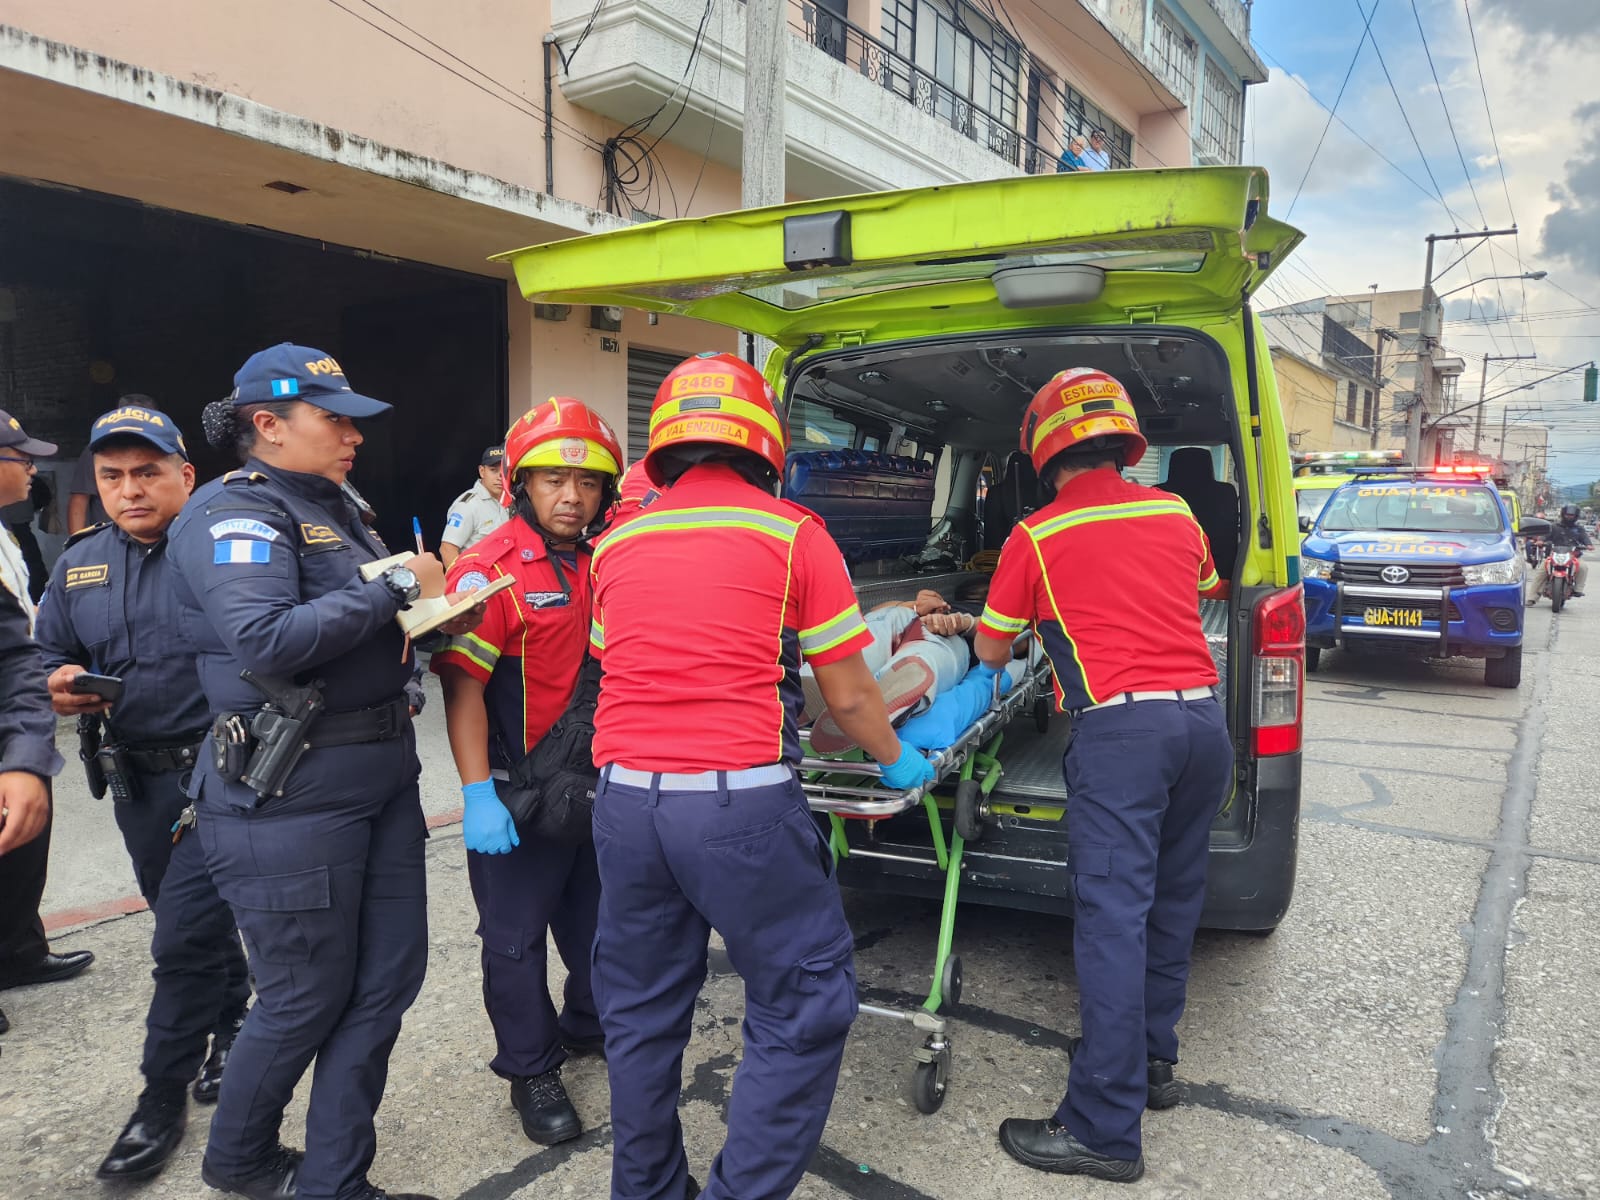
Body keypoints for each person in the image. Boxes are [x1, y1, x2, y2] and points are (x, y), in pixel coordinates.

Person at [586, 351, 935, 1200]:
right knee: (804, 999)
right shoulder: (792, 535)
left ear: (665, 447)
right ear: (766, 447)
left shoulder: (615, 542)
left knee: (637, 1012)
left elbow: (611, 666)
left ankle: (646, 1190)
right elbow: (851, 697)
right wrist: (899, 760)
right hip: (735, 806)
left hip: (625, 802)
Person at [166, 343, 479, 1200]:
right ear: (266, 425)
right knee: (304, 994)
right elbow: (264, 637)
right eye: (333, 418)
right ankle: (243, 1161)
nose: (353, 436)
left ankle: (336, 1180)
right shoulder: (231, 514)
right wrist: (394, 588)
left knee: (386, 981)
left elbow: (357, 623)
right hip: (288, 797)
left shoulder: (340, 505)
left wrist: (432, 615)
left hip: (377, 780)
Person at [975, 368, 1231, 1184]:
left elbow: (989, 649)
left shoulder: (1036, 536)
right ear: (1123, 445)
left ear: (1044, 455)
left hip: (1123, 736)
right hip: (1202, 725)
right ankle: (1154, 1063)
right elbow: (1205, 591)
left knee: (1111, 921)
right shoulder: (1177, 510)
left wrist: (1035, 621)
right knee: (1169, 902)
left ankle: (1103, 1129)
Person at [34, 404, 252, 1181]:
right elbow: (44, 656)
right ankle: (231, 1021)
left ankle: (160, 1096)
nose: (131, 490)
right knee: (181, 918)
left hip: (224, 774)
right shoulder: (80, 563)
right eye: (113, 476)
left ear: (185, 476)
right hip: (136, 778)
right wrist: (57, 683)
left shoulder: (230, 548)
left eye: (149, 472)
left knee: (181, 939)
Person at [433, 398, 620, 1146]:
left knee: (599, 929)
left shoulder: (611, 560)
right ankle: (531, 1067)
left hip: (597, 790)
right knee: (513, 943)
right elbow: (463, 688)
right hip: (516, 797)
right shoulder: (493, 570)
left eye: (588, 483)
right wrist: (479, 794)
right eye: (552, 481)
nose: (571, 497)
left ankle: (584, 1024)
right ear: (521, 485)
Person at [0, 409, 92, 1033]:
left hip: (15, 712)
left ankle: (19, 952)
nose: (33, 467)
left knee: (24, 844)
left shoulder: (8, 533)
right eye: (20, 456)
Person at [440, 444, 507, 567]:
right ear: (482, 471)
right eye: (494, 470)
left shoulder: (511, 500)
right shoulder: (468, 505)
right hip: (477, 581)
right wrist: (461, 583)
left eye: (504, 471)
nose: (500, 477)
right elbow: (447, 549)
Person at [1526, 503, 1591, 604]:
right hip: (1555, 554)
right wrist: (1541, 541)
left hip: (1573, 555)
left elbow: (1586, 539)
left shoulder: (1579, 529)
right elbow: (1545, 536)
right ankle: (1532, 598)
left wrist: (1589, 545)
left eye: (1571, 515)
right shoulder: (1554, 526)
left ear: (1576, 516)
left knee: (1583, 567)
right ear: (1563, 514)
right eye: (1567, 515)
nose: (1569, 517)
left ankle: (1578, 589)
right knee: (1541, 572)